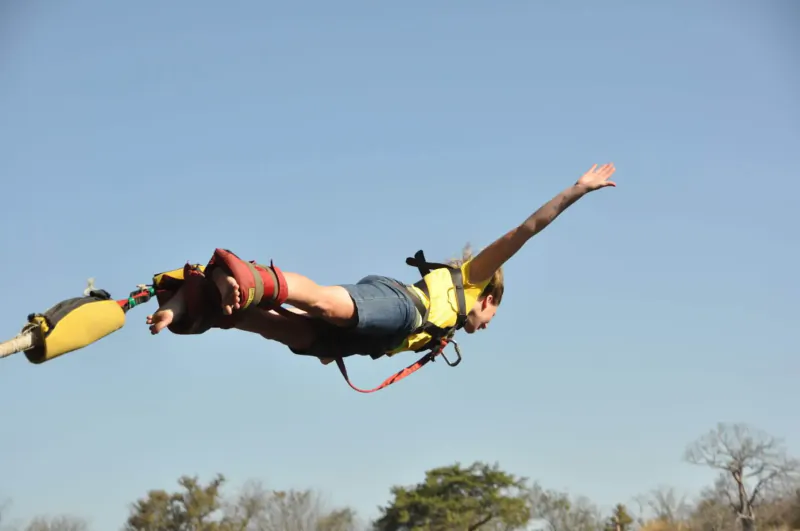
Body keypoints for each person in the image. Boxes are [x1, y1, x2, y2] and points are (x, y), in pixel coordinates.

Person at [145, 163, 617, 365]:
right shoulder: (474, 280)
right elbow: (526, 230)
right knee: (326, 305)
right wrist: (575, 192)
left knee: (289, 332)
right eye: (493, 315)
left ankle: (199, 306)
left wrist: (350, 348)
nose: (487, 324)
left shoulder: (446, 330)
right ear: (490, 298)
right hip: (398, 305)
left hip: (373, 339)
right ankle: (250, 279)